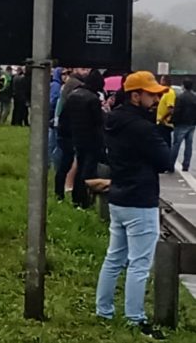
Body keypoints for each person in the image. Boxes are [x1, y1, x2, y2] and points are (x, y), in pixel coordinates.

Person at [95, 71, 172, 336]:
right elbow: (166, 161)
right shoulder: (142, 128)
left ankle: (103, 311)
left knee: (114, 258)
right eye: (151, 94)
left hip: (118, 196)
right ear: (135, 95)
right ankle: (135, 318)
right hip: (141, 200)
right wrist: (160, 129)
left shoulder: (114, 121)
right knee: (139, 263)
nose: (155, 99)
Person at [63, 70, 105, 209]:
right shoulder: (93, 99)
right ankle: (85, 200)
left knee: (80, 168)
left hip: (76, 137)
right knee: (88, 171)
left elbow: (65, 117)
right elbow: (98, 123)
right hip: (92, 140)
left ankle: (76, 198)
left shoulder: (73, 95)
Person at [54, 69, 84, 201]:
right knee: (67, 163)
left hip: (63, 132)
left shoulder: (66, 92)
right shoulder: (74, 95)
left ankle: (59, 193)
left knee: (64, 163)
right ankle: (63, 192)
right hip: (69, 135)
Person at [171, 79, 196, 173]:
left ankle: (170, 164)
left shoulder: (180, 97)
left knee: (176, 144)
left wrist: (173, 121)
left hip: (181, 123)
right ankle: (186, 165)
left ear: (183, 86)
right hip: (192, 124)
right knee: (188, 145)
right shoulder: (194, 97)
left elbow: (177, 111)